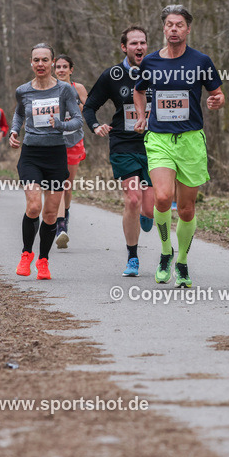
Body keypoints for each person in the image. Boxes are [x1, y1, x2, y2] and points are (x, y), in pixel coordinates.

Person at [133, 4, 224, 288]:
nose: (174, 29)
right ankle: (165, 253)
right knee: (162, 197)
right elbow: (139, 90)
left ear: (188, 29)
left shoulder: (201, 61)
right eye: (169, 24)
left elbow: (218, 94)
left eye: (179, 25)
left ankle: (182, 261)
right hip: (159, 138)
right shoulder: (150, 62)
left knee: (186, 209)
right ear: (164, 28)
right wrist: (140, 116)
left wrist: (215, 101)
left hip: (191, 140)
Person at [83, 25, 156, 277]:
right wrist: (95, 126)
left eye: (143, 43)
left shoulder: (158, 70)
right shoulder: (112, 75)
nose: (139, 47)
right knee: (133, 199)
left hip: (154, 144)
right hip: (123, 143)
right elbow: (89, 107)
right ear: (124, 47)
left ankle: (148, 215)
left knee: (148, 209)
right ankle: (132, 257)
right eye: (134, 43)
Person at [9, 43, 84, 280]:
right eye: (36, 60)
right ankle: (26, 254)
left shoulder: (64, 90)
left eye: (44, 60)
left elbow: (78, 121)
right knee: (34, 206)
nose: (40, 64)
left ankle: (43, 260)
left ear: (52, 63)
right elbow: (20, 112)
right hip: (31, 154)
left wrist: (60, 124)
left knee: (51, 214)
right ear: (31, 63)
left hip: (55, 155)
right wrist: (14, 131)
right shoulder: (23, 90)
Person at [53, 55, 88, 248]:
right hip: (55, 140)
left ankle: (65, 215)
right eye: (58, 67)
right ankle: (60, 227)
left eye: (65, 67)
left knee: (67, 184)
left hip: (74, 140)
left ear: (71, 69)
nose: (61, 70)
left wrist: (75, 105)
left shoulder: (78, 88)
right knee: (59, 182)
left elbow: (88, 109)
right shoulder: (50, 87)